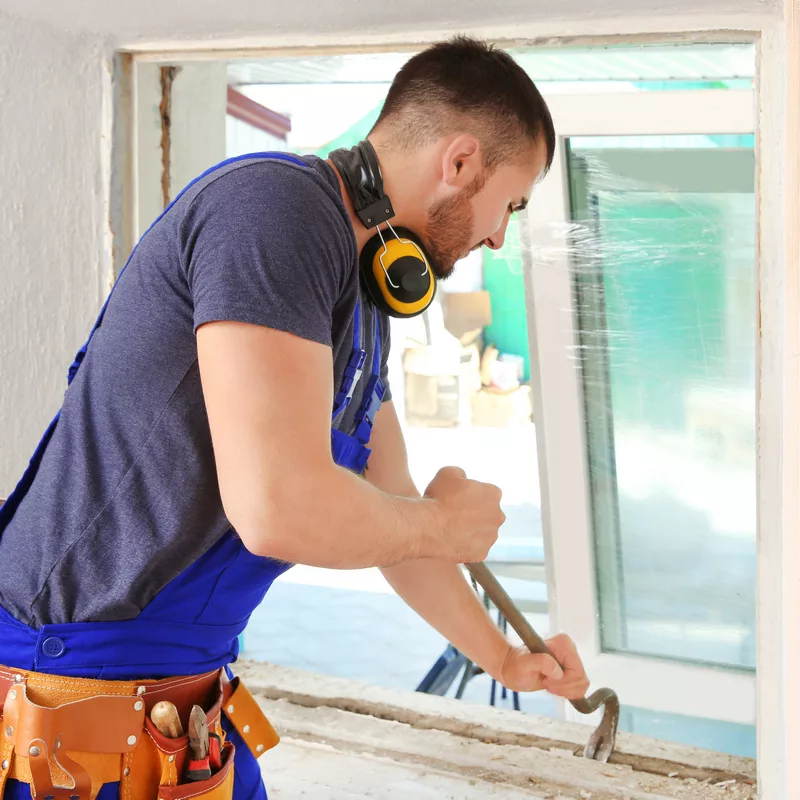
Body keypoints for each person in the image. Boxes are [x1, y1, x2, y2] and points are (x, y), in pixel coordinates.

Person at [0, 35, 589, 800]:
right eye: (508, 204)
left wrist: (502, 657)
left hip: (176, 706)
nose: (499, 236)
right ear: (461, 161)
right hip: (70, 694)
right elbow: (278, 509)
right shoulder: (274, 212)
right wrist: (442, 525)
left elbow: (392, 513)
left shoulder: (360, 297)